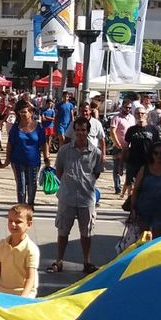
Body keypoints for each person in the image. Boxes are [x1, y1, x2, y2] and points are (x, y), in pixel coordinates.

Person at [48, 118, 104, 276]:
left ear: (88, 131)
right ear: (74, 131)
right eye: (77, 130)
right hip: (67, 196)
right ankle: (59, 260)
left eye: (83, 130)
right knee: (63, 231)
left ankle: (86, 261)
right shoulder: (64, 150)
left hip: (87, 197)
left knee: (86, 233)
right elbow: (59, 170)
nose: (80, 133)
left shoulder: (95, 152)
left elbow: (97, 173)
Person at [124, 140, 161, 238]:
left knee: (156, 240)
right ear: (151, 154)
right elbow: (136, 189)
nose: (159, 156)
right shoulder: (144, 169)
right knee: (143, 239)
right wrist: (133, 207)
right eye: (156, 153)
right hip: (143, 209)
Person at [0, 203, 39, 297]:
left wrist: (23, 297)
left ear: (29, 224)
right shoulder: (2, 245)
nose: (13, 224)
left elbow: (30, 277)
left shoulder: (30, 249)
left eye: (18, 221)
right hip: (4, 292)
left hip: (24, 294)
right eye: (10, 221)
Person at [7, 103, 48, 207]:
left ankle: (30, 205)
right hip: (18, 160)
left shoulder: (38, 127)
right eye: (21, 112)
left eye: (25, 112)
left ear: (31, 113)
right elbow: (10, 143)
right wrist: (7, 158)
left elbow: (44, 143)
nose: (22, 114)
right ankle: (21, 206)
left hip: (33, 161)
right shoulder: (15, 128)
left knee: (32, 184)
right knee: (21, 184)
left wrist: (46, 157)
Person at [110, 102, 136, 196]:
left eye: (129, 108)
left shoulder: (132, 118)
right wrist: (117, 143)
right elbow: (112, 131)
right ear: (122, 107)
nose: (128, 109)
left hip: (129, 147)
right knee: (117, 168)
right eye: (126, 107)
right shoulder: (116, 118)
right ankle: (118, 188)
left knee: (129, 168)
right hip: (119, 146)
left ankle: (129, 185)